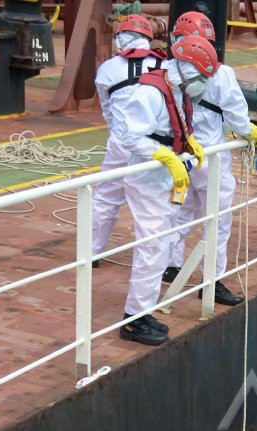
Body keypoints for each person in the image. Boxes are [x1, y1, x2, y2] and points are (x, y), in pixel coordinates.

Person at [113, 35, 217, 345]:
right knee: (153, 247)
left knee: (160, 246)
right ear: (184, 67)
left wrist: (187, 145)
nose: (201, 84)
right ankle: (133, 318)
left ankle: (143, 310)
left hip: (163, 181)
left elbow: (174, 127)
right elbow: (128, 137)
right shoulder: (150, 93)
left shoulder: (174, 87)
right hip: (147, 181)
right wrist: (164, 156)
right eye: (200, 76)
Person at [160, 12, 257, 306]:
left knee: (180, 211)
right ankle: (212, 281)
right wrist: (250, 132)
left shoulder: (166, 69)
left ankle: (170, 264)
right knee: (217, 221)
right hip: (211, 158)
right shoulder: (220, 74)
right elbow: (236, 114)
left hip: (178, 155)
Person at [90, 14, 164, 268]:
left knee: (106, 199)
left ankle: (92, 253)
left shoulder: (108, 69)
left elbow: (107, 109)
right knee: (156, 206)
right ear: (148, 38)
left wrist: (119, 136)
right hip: (156, 147)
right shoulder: (164, 66)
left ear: (120, 38)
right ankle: (160, 261)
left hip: (121, 142)